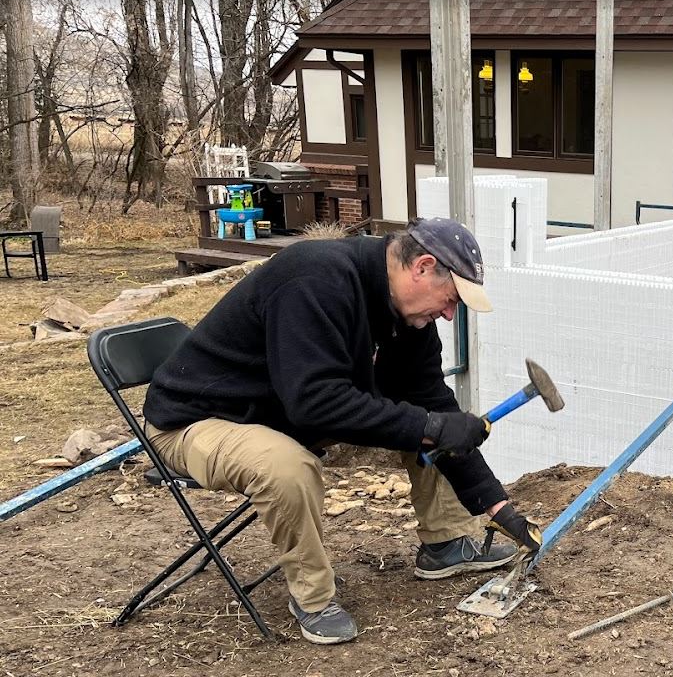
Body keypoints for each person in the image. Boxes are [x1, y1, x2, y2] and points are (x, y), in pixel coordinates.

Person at [142, 218, 542, 645]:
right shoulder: (312, 280)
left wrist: (498, 508)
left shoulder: (407, 317)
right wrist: (429, 425)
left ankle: (445, 544)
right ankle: (313, 599)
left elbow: (432, 403)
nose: (448, 314)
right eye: (451, 299)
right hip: (198, 421)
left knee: (430, 421)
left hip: (279, 414)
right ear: (422, 267)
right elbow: (314, 403)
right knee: (286, 465)